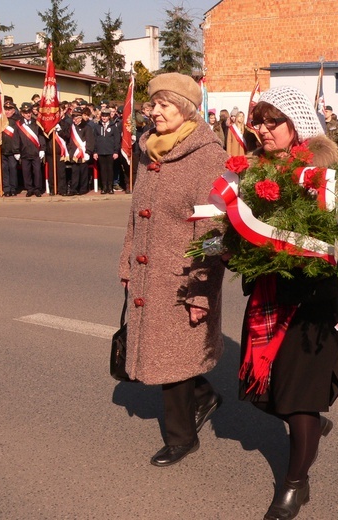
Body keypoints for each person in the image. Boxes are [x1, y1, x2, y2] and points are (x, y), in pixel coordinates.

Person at [118, 72, 227, 468]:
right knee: (163, 351)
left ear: (186, 110)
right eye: (153, 104)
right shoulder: (152, 151)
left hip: (183, 274)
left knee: (173, 356)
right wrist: (127, 259)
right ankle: (204, 396)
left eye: (164, 105)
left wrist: (202, 289)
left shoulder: (208, 156)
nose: (155, 112)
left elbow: (213, 231)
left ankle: (182, 439)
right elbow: (136, 214)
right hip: (150, 270)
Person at [243, 85, 338, 520]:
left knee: (301, 395)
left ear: (295, 124)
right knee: (272, 391)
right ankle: (311, 431)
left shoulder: (322, 171)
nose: (263, 129)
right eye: (259, 121)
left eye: (272, 121)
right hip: (269, 291)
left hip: (310, 296)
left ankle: (295, 484)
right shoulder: (251, 173)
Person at [15, 102, 46, 197]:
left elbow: (40, 136)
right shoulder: (18, 124)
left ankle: (37, 189)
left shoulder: (36, 123)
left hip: (35, 152)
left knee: (37, 172)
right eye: (25, 112)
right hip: (24, 152)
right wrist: (16, 151)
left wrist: (42, 149)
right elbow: (16, 138)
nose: (28, 114)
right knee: (26, 172)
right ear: (22, 114)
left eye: (29, 112)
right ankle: (29, 189)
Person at [66, 107, 95, 196]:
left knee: (83, 172)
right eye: (73, 117)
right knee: (75, 172)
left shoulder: (87, 127)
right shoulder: (71, 127)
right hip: (74, 154)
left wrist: (88, 152)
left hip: (83, 154)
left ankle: (83, 189)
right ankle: (73, 189)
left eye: (77, 117)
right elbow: (67, 138)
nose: (75, 119)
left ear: (80, 117)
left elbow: (90, 140)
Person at [94, 108, 121, 194]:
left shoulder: (113, 127)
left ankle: (110, 187)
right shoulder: (97, 126)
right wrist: (95, 151)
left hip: (110, 151)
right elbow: (94, 139)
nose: (104, 118)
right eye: (103, 116)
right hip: (100, 151)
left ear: (109, 117)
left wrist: (116, 151)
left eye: (106, 116)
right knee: (102, 169)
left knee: (110, 169)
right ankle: (104, 187)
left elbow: (117, 140)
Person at [0, 101, 20, 196]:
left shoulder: (17, 121)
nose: (7, 111)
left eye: (9, 109)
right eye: (6, 109)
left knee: (13, 169)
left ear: (13, 110)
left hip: (13, 151)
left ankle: (13, 188)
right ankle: (6, 189)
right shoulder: (0, 120)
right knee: (5, 170)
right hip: (3, 150)